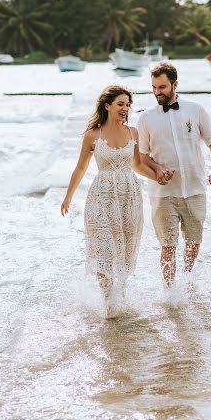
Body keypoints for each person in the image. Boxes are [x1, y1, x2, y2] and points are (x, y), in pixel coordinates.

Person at [61, 85, 159, 318]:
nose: (125, 109)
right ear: (107, 106)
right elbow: (81, 167)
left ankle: (120, 296)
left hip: (129, 197)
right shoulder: (92, 136)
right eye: (120, 104)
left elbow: (136, 165)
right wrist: (68, 197)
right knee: (104, 249)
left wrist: (158, 176)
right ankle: (108, 301)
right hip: (102, 197)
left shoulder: (133, 133)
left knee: (125, 249)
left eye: (127, 104)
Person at [137, 62, 211, 288]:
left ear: (175, 84)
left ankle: (187, 280)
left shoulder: (195, 109)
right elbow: (142, 156)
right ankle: (169, 292)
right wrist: (157, 169)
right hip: (163, 193)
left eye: (162, 87)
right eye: (154, 87)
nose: (157, 92)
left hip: (195, 189)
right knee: (168, 244)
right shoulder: (146, 118)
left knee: (193, 242)